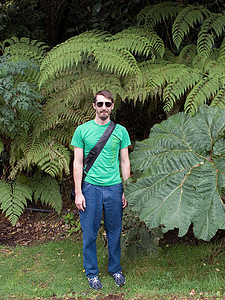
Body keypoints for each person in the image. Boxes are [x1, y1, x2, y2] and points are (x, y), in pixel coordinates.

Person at [71, 90, 131, 290]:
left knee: (114, 231)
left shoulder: (120, 131)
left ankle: (115, 269)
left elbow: (124, 161)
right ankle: (92, 273)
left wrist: (126, 189)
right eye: (100, 104)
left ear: (112, 106)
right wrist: (79, 192)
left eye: (107, 104)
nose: (104, 107)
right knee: (90, 233)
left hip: (114, 188)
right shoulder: (82, 130)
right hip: (91, 188)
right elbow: (78, 163)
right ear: (94, 106)